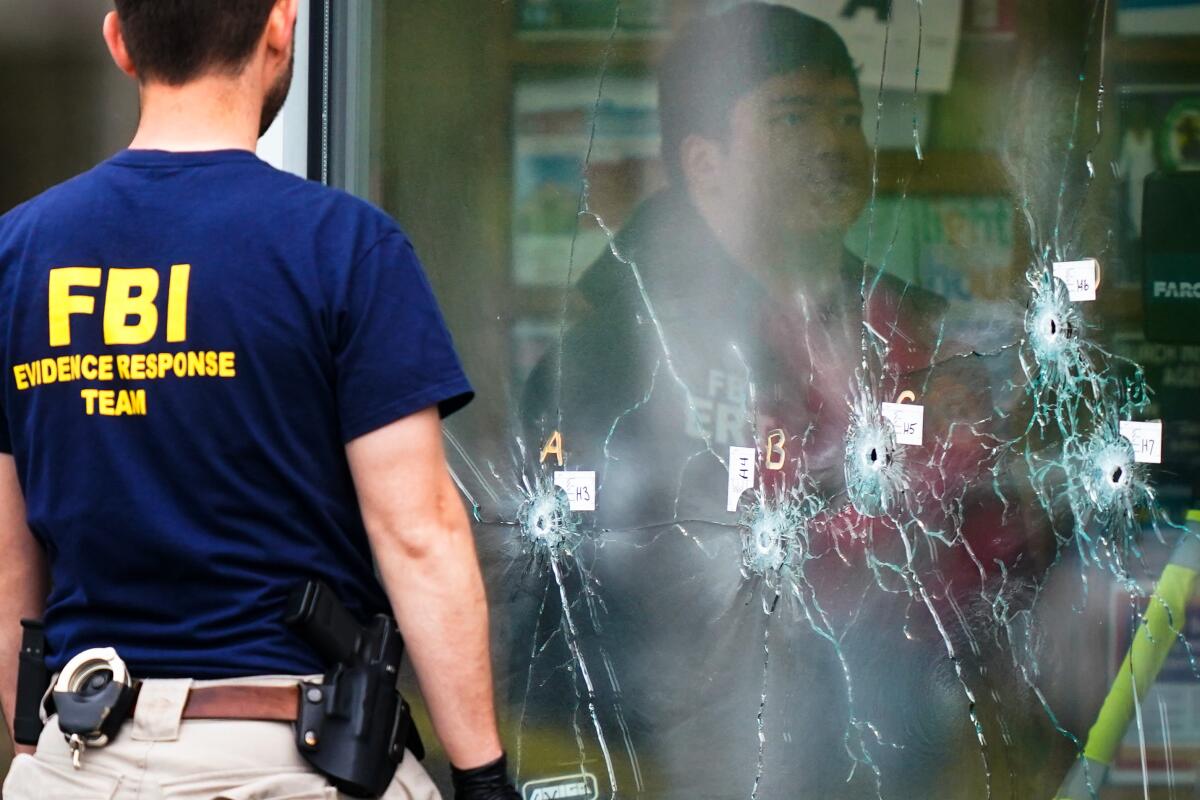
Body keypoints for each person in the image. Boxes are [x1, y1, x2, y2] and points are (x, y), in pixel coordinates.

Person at [517, 4, 1056, 797]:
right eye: (793, 116)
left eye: (847, 116)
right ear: (707, 163)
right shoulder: (617, 360)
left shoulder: (916, 341)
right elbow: (577, 611)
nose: (835, 144)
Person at [0, 1, 519, 798]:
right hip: (285, 764)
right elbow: (417, 535)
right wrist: (482, 777)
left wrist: (37, 751)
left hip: (78, 759)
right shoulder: (344, 246)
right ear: (281, 27)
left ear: (118, 42)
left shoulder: (18, 255)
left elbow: (8, 559)